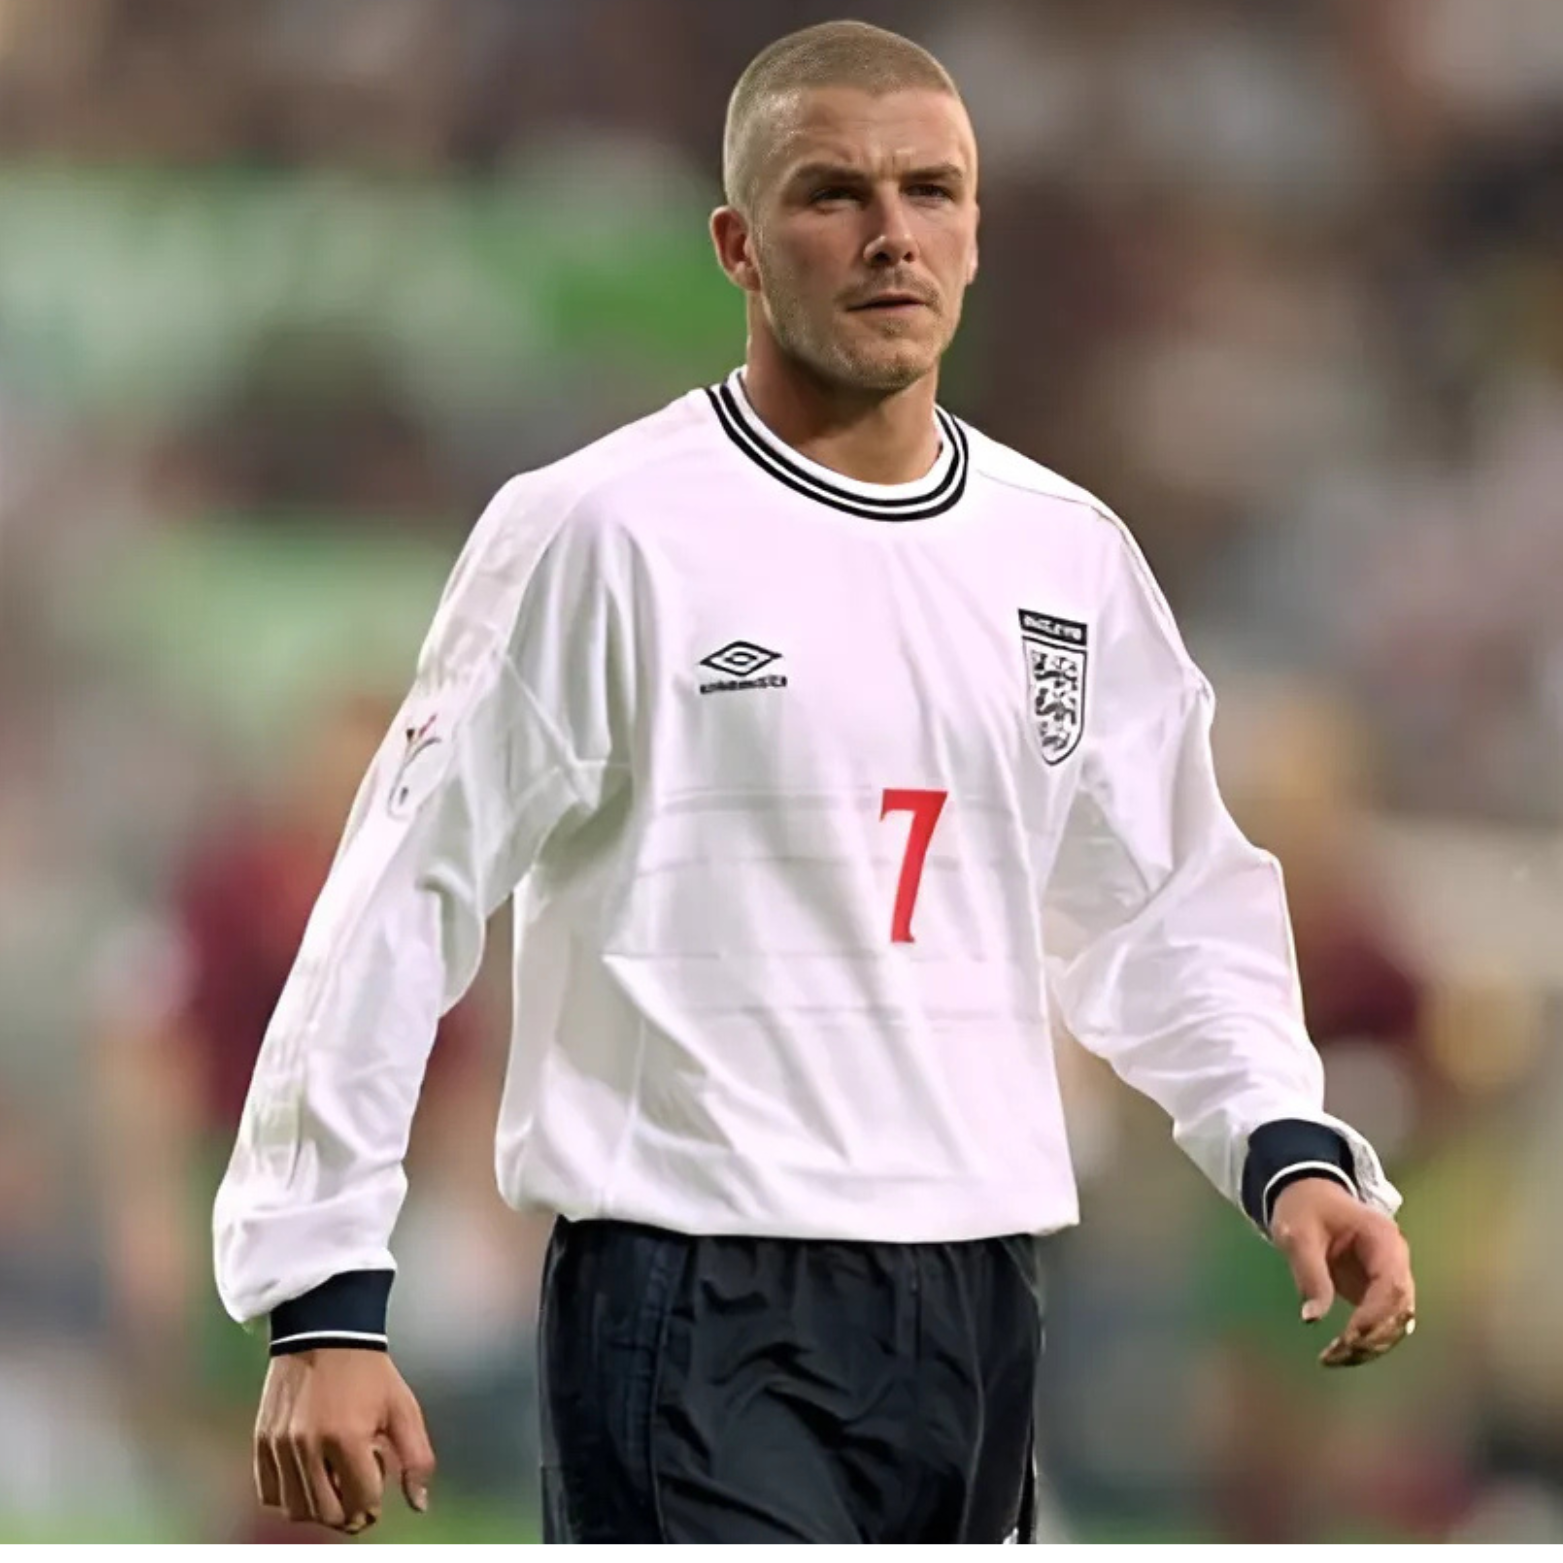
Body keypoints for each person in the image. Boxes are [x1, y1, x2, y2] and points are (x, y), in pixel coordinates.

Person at [213, 19, 1417, 1545]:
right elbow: (401, 891)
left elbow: (1165, 900)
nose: (890, 233)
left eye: (930, 190)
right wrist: (322, 1284)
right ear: (736, 244)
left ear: (975, 232)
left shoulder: (1064, 557)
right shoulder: (602, 532)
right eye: (833, 193)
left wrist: (1282, 1141)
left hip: (974, 1293)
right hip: (693, 1291)